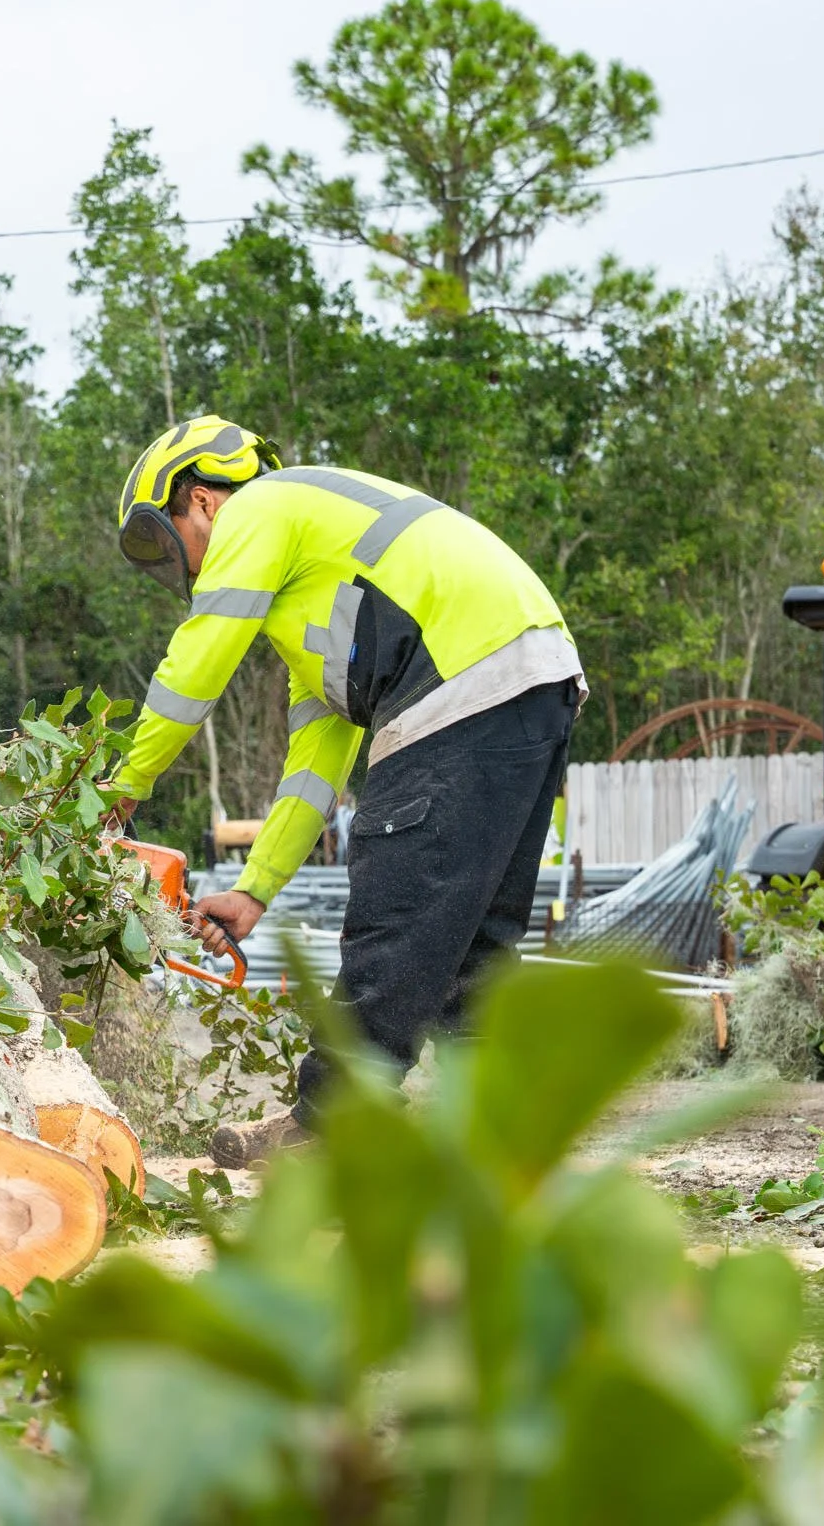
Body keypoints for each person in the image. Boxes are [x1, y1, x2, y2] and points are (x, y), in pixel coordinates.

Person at [106, 416, 582, 1165]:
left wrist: (121, 789)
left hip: (461, 677)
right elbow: (313, 771)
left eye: (170, 545)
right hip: (533, 679)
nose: (184, 572)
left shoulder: (258, 509)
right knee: (472, 939)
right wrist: (255, 890)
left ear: (202, 502)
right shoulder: (319, 604)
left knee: (396, 908)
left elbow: (194, 668)